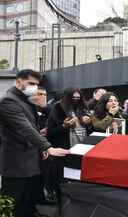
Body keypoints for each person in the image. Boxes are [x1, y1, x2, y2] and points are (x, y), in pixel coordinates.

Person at [0, 69, 70, 217]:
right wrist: (47, 147)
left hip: (31, 157)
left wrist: (44, 106)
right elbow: (25, 128)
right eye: (31, 83)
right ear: (18, 82)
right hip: (16, 160)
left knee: (28, 196)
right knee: (14, 200)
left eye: (36, 84)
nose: (34, 87)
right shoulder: (9, 100)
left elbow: (35, 126)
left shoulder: (26, 99)